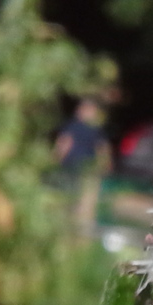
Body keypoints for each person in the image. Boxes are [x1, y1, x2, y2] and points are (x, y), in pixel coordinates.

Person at [54, 98, 112, 237]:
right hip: (74, 167)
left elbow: (102, 148)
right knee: (73, 197)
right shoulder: (75, 126)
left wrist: (105, 164)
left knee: (82, 199)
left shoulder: (93, 128)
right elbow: (64, 143)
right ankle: (73, 226)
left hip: (84, 169)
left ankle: (78, 229)